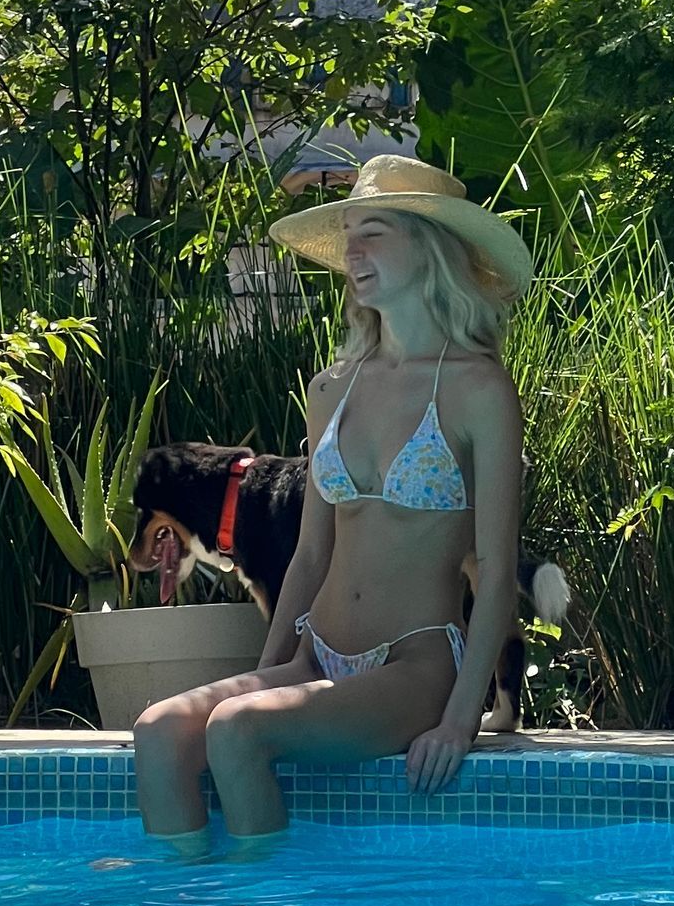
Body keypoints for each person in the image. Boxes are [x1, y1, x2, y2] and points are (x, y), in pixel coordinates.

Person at [133, 153, 530, 856]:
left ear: (427, 246)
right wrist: (266, 669)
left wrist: (461, 718)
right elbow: (311, 554)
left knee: (237, 730)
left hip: (415, 665)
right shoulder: (332, 389)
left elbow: (497, 572)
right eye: (348, 234)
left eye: (372, 231)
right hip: (317, 654)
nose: (353, 251)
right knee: (160, 731)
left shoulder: (478, 389)